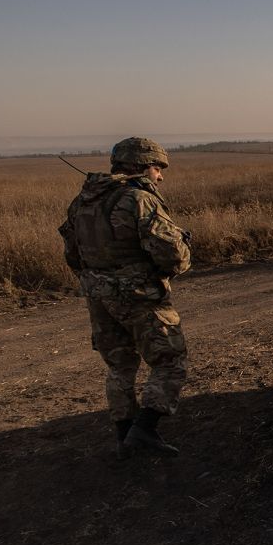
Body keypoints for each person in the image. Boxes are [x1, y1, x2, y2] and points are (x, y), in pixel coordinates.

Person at [59, 137, 191, 458]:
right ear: (140, 165)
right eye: (157, 167)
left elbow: (73, 256)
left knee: (120, 366)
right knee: (170, 360)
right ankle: (144, 430)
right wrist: (184, 248)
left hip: (98, 296)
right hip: (140, 295)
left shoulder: (82, 202)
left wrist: (101, 280)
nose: (160, 175)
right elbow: (173, 256)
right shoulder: (139, 199)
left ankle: (124, 437)